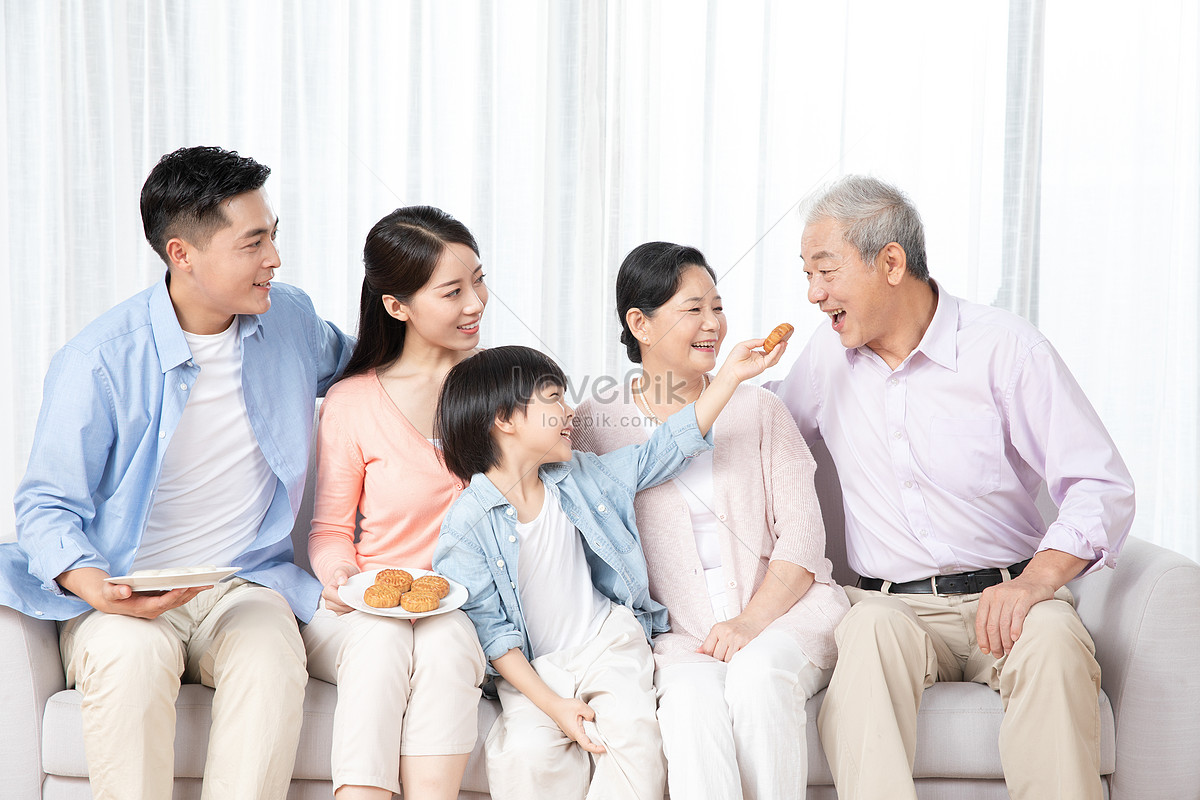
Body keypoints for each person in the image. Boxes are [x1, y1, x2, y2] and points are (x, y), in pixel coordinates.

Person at [0, 145, 355, 799]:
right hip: (125, 588)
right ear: (182, 254)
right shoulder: (99, 361)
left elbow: (370, 371)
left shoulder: (291, 320)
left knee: (272, 659)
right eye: (253, 243)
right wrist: (94, 586)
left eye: (272, 237)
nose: (273, 258)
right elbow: (48, 503)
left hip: (244, 581)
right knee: (131, 662)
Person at [766, 174, 1136, 800]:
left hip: (1009, 594)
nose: (813, 294)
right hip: (891, 606)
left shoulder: (1005, 349)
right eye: (806, 275)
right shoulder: (828, 359)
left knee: (1054, 641)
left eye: (825, 271)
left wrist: (1034, 584)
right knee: (868, 633)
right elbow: (763, 438)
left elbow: (1100, 484)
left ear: (890, 262)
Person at [433, 341, 784, 800]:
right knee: (524, 757)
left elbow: (662, 450)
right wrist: (555, 706)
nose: (570, 412)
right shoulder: (465, 526)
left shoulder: (581, 476)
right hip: (537, 672)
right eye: (554, 398)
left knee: (637, 742)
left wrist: (730, 378)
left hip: (608, 643)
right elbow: (495, 637)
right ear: (505, 420)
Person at [571, 241, 850, 799]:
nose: (713, 324)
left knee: (757, 677)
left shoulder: (760, 410)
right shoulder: (594, 425)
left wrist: (748, 624)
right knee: (692, 707)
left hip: (783, 616)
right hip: (679, 639)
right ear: (639, 324)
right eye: (692, 308)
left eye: (717, 307)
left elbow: (803, 540)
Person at [300, 206, 488, 800]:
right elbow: (330, 531)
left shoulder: (500, 388)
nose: (476, 303)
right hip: (363, 606)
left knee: (447, 639)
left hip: (466, 605)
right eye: (453, 291)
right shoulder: (353, 402)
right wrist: (342, 580)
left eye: (479, 280)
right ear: (397, 306)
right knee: (382, 637)